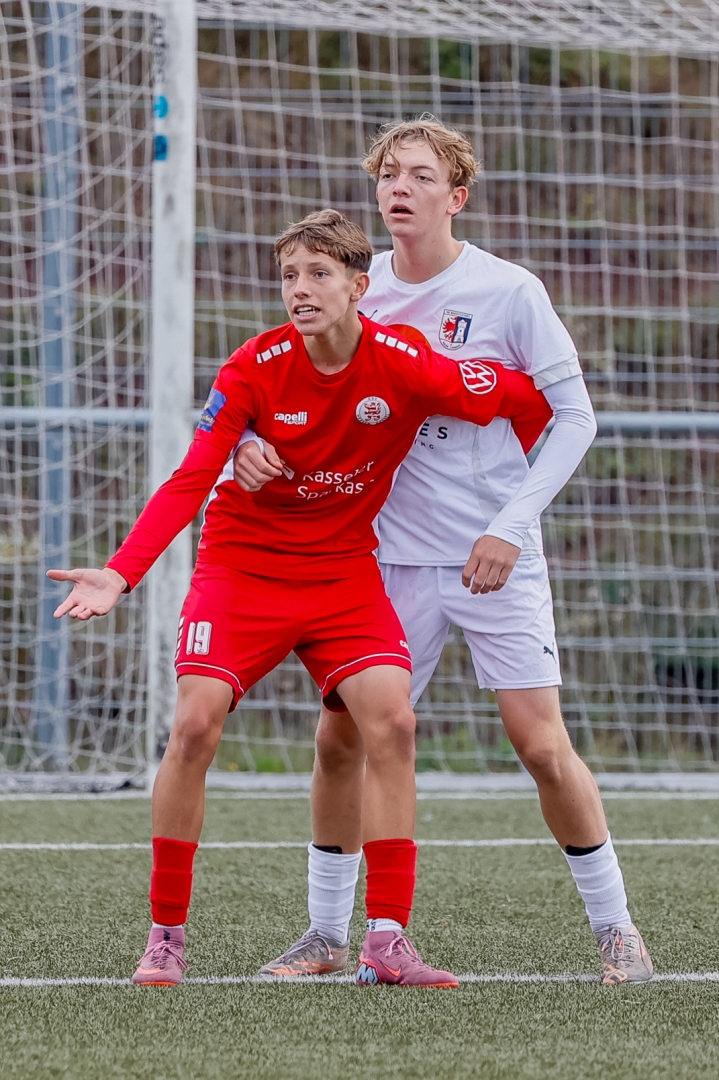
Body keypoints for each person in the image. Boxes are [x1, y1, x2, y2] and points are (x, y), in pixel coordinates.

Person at [48, 208, 551, 988]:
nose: (299, 289)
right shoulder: (252, 367)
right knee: (193, 726)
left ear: (359, 286)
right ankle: (165, 938)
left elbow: (527, 399)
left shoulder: (404, 363)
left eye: (318, 273)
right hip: (242, 571)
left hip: (342, 575)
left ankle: (386, 940)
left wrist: (509, 494)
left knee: (393, 721)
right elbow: (191, 477)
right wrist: (120, 572)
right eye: (288, 275)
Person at [234, 119, 654, 986]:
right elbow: (287, 388)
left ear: (454, 196)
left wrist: (510, 526)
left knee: (541, 746)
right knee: (340, 737)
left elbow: (575, 419)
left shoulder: (508, 291)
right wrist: (248, 442)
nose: (400, 187)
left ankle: (617, 931)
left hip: (495, 554)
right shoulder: (356, 287)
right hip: (385, 559)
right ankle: (326, 934)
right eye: (389, 173)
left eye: (420, 175)